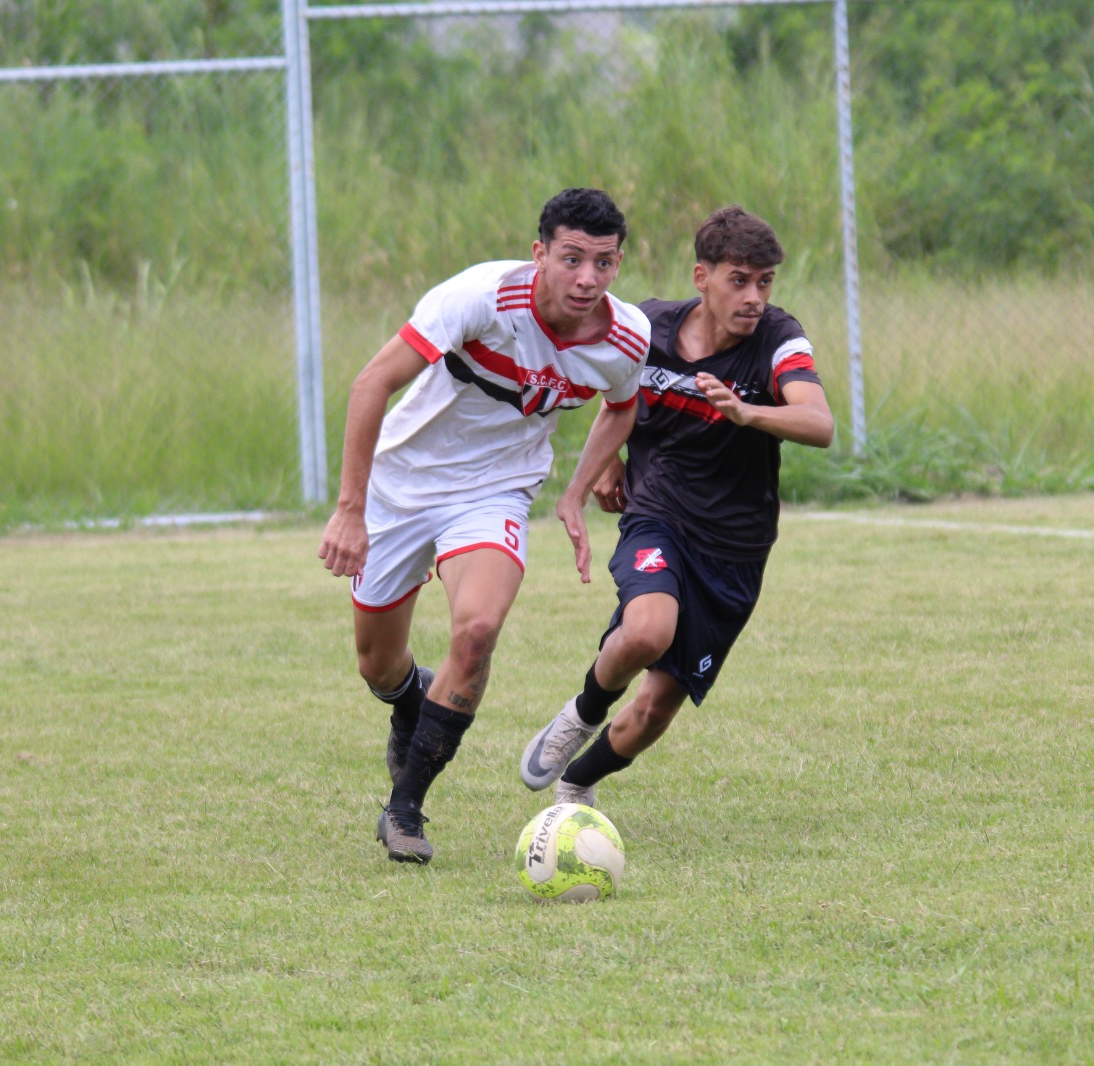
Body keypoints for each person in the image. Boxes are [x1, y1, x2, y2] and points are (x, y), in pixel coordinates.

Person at [318, 188, 650, 864]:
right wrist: (350, 508)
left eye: (604, 263)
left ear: (619, 263)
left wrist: (577, 489)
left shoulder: (625, 337)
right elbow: (371, 384)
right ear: (539, 255)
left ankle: (404, 809)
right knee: (377, 663)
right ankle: (409, 700)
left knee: (475, 633)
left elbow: (622, 406)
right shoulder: (481, 298)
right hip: (401, 484)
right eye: (572, 259)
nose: (587, 278)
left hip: (495, 491)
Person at [518, 205, 834, 809]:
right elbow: (615, 398)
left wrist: (747, 412)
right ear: (701, 277)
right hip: (657, 514)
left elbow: (819, 423)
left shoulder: (777, 338)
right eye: (739, 280)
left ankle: (577, 784)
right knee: (646, 630)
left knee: (656, 708)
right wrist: (607, 465)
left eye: (765, 282)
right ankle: (582, 712)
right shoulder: (648, 329)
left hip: (736, 547)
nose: (754, 298)